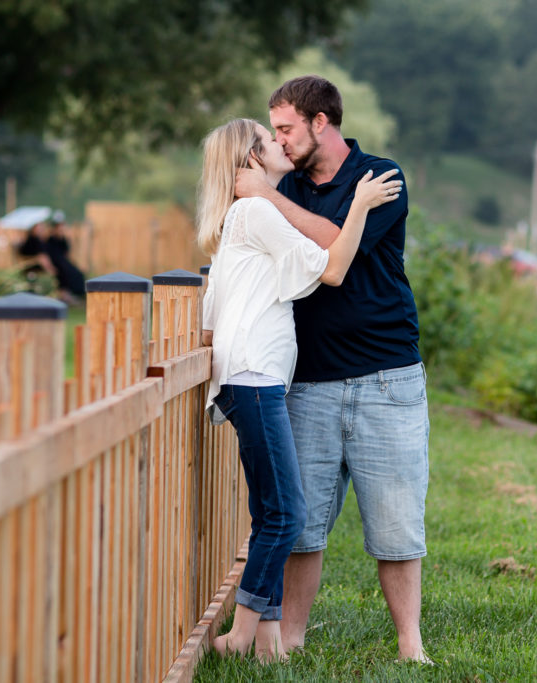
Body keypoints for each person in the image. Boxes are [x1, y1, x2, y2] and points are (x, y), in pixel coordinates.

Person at [235, 75, 431, 663]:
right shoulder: (287, 181)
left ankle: (410, 644)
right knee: (302, 524)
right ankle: (289, 638)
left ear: (322, 122)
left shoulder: (379, 178)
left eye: (287, 128)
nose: (280, 140)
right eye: (276, 131)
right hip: (308, 379)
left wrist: (268, 199)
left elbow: (332, 253)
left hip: (387, 374)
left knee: (396, 523)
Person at [198, 118, 401, 661]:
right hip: (255, 378)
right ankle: (241, 635)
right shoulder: (258, 211)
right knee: (288, 513)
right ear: (252, 160)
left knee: (272, 513)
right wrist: (358, 204)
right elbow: (334, 270)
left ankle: (268, 642)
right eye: (270, 138)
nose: (280, 142)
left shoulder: (249, 213)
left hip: (252, 378)